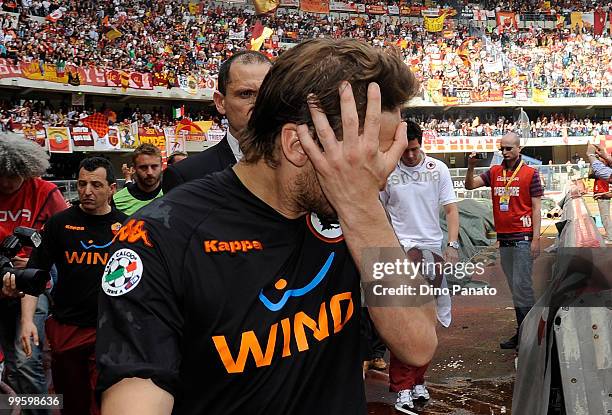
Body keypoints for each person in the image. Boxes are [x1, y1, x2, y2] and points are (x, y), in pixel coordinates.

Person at [96, 38, 438, 415]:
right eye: (372, 154)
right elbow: (137, 392)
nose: (384, 174)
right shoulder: (162, 235)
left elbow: (418, 343)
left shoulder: (354, 206)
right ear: (297, 144)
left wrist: (362, 208)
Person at [22, 157, 127, 415]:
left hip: (111, 329)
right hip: (68, 328)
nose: (87, 191)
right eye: (81, 184)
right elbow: (34, 274)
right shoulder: (59, 224)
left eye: (96, 185)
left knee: (106, 401)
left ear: (112, 188)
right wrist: (26, 321)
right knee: (72, 401)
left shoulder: (127, 227)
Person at [380, 120, 459, 413]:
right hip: (401, 254)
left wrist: (452, 245)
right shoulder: (388, 171)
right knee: (404, 322)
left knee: (429, 320)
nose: (410, 156)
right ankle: (401, 388)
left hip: (433, 254)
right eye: (405, 150)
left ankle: (417, 381)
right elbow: (379, 212)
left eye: (414, 150)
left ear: (421, 144)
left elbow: (451, 209)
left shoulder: (437, 170)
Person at [0, 133, 67, 414]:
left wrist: (34, 263)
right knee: (11, 367)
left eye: (14, 176)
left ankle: (42, 411)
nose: (6, 183)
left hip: (33, 284)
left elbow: (65, 243)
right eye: (1, 176)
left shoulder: (46, 192)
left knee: (26, 361)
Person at [465, 132, 543, 350]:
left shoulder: (530, 174)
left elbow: (537, 208)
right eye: (502, 148)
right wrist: (471, 165)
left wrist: (536, 239)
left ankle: (530, 338)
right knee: (515, 287)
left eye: (509, 148)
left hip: (523, 238)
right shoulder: (494, 172)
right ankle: (524, 332)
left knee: (523, 287)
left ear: (519, 149)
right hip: (505, 239)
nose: (505, 152)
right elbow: (470, 185)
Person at [161, 51, 272, 193]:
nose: (259, 104)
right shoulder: (186, 176)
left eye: (266, 93)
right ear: (220, 102)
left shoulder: (300, 166)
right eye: (246, 94)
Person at [113, 144, 163, 215]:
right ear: (134, 168)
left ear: (161, 166)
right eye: (143, 167)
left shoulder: (172, 195)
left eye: (154, 166)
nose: (149, 172)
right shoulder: (118, 200)